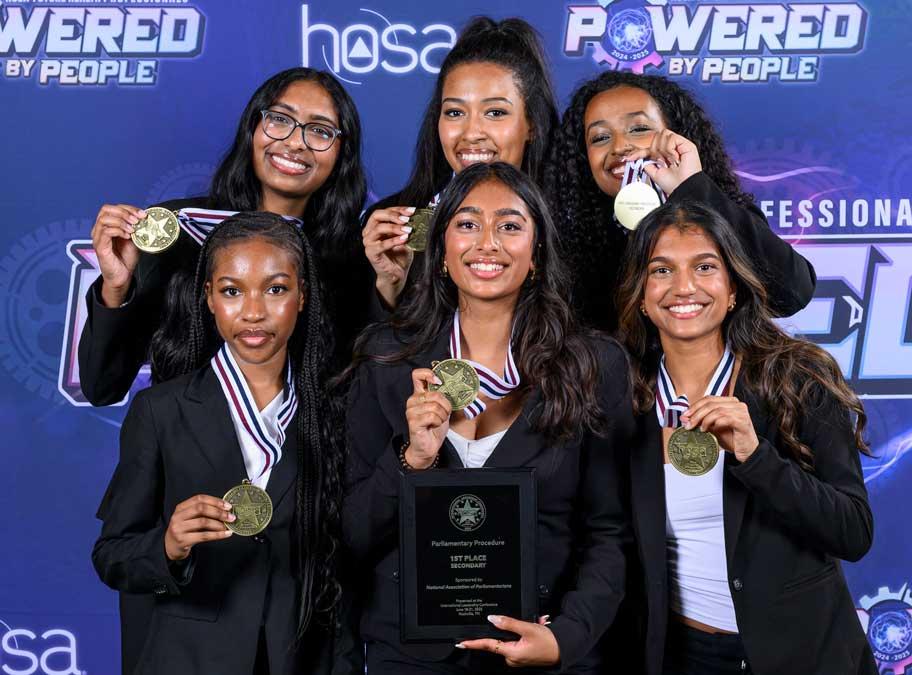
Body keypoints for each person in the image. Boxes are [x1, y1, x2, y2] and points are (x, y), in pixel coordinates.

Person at [344, 162, 632, 673]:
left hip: (539, 653)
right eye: (468, 223)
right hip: (410, 656)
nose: (488, 243)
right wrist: (413, 459)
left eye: (510, 225)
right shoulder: (386, 360)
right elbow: (353, 534)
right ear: (441, 252)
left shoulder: (593, 364)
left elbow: (608, 533)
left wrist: (566, 638)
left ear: (537, 252)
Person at [614, 200, 875, 674]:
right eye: (661, 270)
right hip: (681, 655)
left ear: (732, 288)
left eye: (705, 267)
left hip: (801, 654)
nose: (683, 287)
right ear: (642, 294)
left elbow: (852, 532)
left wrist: (756, 457)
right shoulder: (620, 397)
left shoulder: (797, 379)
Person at [93, 213, 347, 674]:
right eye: (232, 290)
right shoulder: (161, 410)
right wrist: (168, 545)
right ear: (208, 298)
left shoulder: (333, 411)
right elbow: (113, 554)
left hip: (300, 658)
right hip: (187, 658)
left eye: (275, 289)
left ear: (303, 295)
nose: (253, 312)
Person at [79, 67, 369, 406]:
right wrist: (116, 288)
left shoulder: (354, 257)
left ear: (341, 154)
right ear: (252, 128)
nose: (294, 142)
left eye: (320, 131)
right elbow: (102, 387)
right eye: (279, 119)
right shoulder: (177, 232)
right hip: (185, 453)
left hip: (307, 455)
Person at [547, 72, 815, 331]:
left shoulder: (718, 209)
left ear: (675, 137)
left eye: (639, 128)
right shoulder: (572, 242)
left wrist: (690, 187)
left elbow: (793, 292)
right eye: (600, 137)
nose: (619, 147)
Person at [361, 17, 558, 311]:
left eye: (494, 112)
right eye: (454, 113)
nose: (471, 133)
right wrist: (391, 288)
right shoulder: (394, 227)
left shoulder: (569, 223)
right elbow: (374, 348)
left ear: (532, 124)